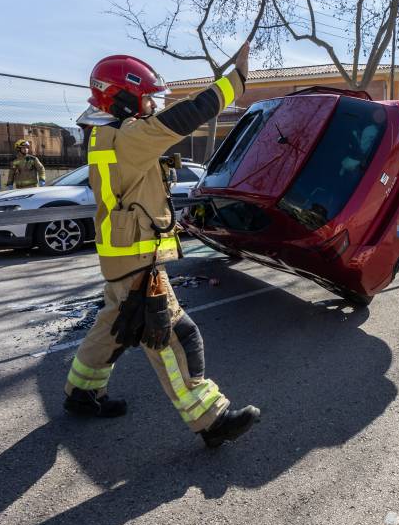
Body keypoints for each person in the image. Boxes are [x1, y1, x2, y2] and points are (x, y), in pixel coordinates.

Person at [63, 43, 260, 448]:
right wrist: (235, 80)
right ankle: (211, 419)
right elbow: (185, 116)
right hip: (137, 257)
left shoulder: (104, 136)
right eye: (146, 99)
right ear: (122, 98)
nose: (152, 106)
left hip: (121, 257)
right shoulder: (128, 137)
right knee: (173, 335)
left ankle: (81, 393)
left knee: (115, 326)